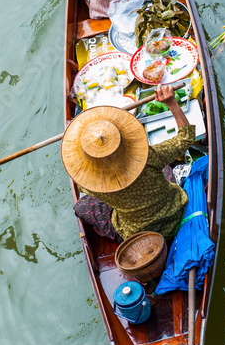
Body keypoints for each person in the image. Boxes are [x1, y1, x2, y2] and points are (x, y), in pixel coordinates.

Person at [61, 84, 195, 243]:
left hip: (139, 232)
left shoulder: (89, 184)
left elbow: (80, 181)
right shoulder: (150, 157)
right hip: (175, 211)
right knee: (165, 168)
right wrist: (172, 102)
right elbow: (186, 138)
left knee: (82, 206)